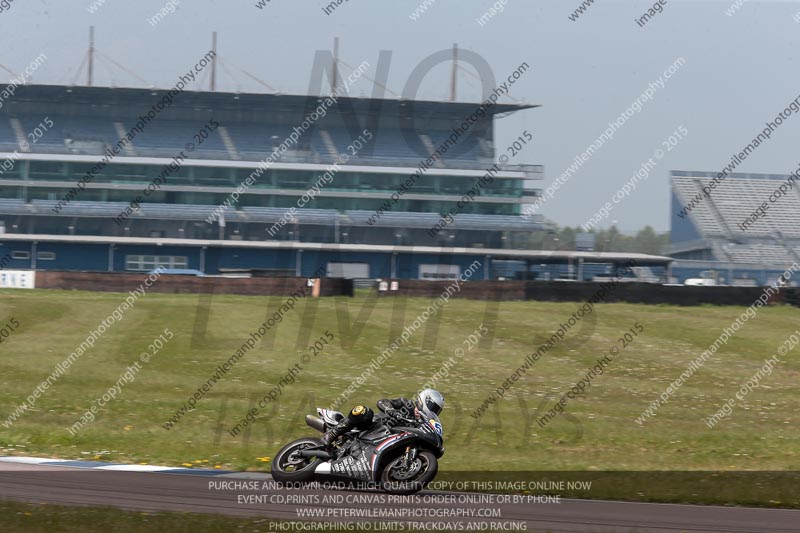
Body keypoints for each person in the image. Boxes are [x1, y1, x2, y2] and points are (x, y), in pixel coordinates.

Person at [321, 389, 444, 448]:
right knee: (364, 411)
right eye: (433, 407)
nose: (433, 411)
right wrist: (392, 412)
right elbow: (382, 402)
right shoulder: (406, 404)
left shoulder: (421, 423)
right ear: (425, 401)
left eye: (436, 410)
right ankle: (332, 433)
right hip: (371, 426)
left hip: (383, 441)